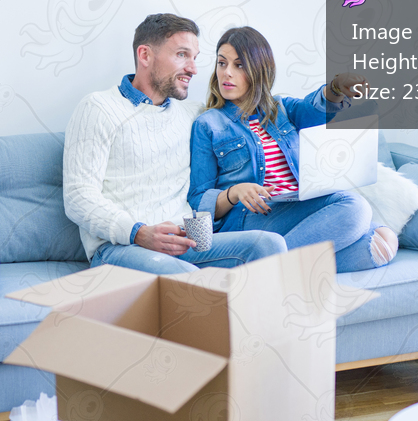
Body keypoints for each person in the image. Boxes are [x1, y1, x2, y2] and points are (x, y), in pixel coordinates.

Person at [63, 14, 287, 274]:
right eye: (182, 55)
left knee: (268, 244)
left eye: (195, 57)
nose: (193, 69)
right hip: (122, 248)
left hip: (188, 241)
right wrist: (139, 233)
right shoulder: (99, 108)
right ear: (145, 55)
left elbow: (250, 107)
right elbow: (78, 197)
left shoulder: (193, 116)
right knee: (193, 283)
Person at [188, 26, 398, 273]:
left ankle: (263, 266)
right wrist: (234, 192)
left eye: (239, 65)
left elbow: (314, 110)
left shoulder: (281, 109)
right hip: (251, 219)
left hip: (296, 208)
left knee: (382, 240)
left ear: (259, 70)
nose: (227, 73)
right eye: (222, 63)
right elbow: (198, 199)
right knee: (356, 207)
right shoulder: (208, 124)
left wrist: (336, 88)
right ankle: (270, 266)